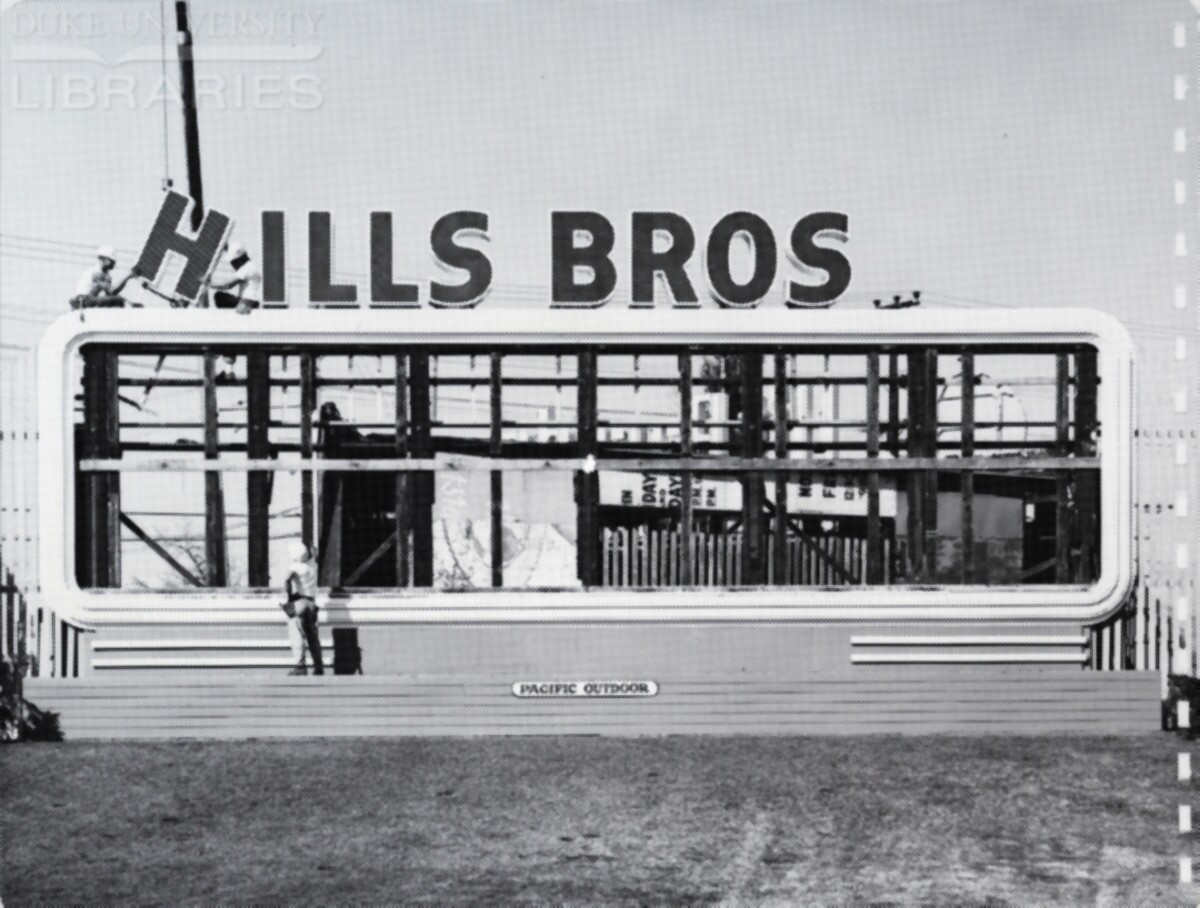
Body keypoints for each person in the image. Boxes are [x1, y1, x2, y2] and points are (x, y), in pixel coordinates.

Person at [283, 541, 324, 676]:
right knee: (313, 636)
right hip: (312, 602)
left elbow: (286, 580)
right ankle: (318, 666)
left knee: (297, 634)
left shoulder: (296, 567)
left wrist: (289, 596)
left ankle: (300, 666)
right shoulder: (313, 565)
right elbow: (314, 554)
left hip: (300, 602)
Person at [70, 245, 141, 309]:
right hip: (82, 300)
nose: (113, 263)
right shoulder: (96, 272)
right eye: (111, 260)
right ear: (101, 259)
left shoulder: (107, 276)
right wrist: (128, 276)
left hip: (89, 300)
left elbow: (111, 294)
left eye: (113, 261)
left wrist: (129, 303)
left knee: (117, 301)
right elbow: (112, 291)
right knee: (118, 301)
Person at [207, 242, 261, 314]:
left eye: (234, 262)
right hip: (248, 301)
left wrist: (208, 283)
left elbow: (227, 285)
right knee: (220, 296)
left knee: (219, 297)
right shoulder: (251, 265)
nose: (233, 265)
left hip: (246, 303)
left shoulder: (246, 268)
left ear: (240, 259)